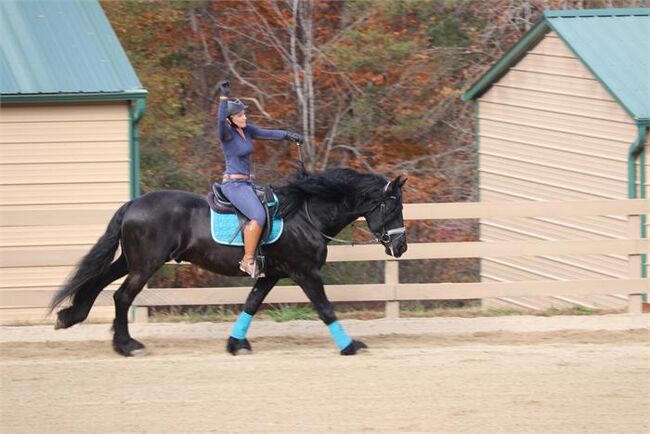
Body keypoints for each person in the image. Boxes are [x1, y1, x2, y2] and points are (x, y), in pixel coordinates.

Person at [215, 80, 303, 277]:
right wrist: (223, 98)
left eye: (244, 114)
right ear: (230, 119)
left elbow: (268, 133)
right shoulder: (226, 135)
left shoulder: (246, 130)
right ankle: (247, 260)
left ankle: (265, 254)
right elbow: (219, 122)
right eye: (240, 115)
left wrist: (289, 135)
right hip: (233, 185)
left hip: (246, 183)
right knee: (258, 216)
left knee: (271, 207)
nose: (244, 117)